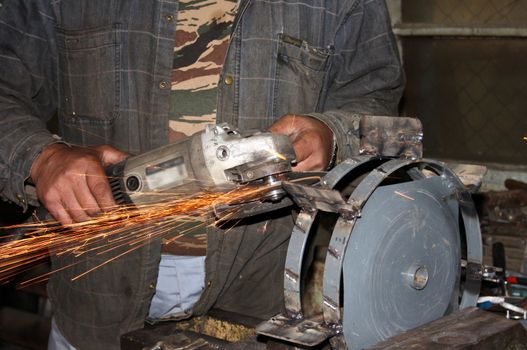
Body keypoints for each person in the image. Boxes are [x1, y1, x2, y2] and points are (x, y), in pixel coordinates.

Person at [0, 0, 404, 349]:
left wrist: (331, 132)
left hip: (264, 289)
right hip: (99, 289)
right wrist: (40, 156)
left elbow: (376, 95)